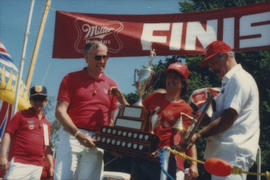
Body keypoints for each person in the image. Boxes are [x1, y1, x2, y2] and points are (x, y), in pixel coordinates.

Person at [188, 40, 260, 180]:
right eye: (210, 65)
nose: (212, 69)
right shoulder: (230, 82)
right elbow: (219, 121)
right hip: (226, 154)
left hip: (232, 153)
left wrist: (198, 135)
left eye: (213, 63)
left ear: (226, 56)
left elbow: (227, 120)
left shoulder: (239, 78)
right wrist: (203, 113)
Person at [54, 41, 120, 180]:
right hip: (71, 135)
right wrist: (78, 135)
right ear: (86, 57)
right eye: (97, 57)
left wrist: (111, 141)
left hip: (97, 139)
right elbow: (60, 111)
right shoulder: (70, 78)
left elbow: (112, 119)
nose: (102, 61)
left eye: (105, 57)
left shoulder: (112, 84)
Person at [131, 62, 199, 180]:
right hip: (143, 154)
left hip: (166, 159)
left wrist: (194, 164)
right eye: (169, 76)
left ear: (183, 83)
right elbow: (136, 116)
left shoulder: (186, 109)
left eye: (175, 78)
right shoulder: (153, 97)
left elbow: (187, 139)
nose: (171, 80)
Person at [0, 85, 54, 179]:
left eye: (40, 99)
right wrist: (3, 156)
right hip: (19, 164)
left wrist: (51, 166)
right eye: (35, 99)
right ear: (30, 100)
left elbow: (47, 147)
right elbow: (7, 134)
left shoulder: (46, 123)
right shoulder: (20, 115)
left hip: (37, 167)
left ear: (45, 101)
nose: (38, 102)